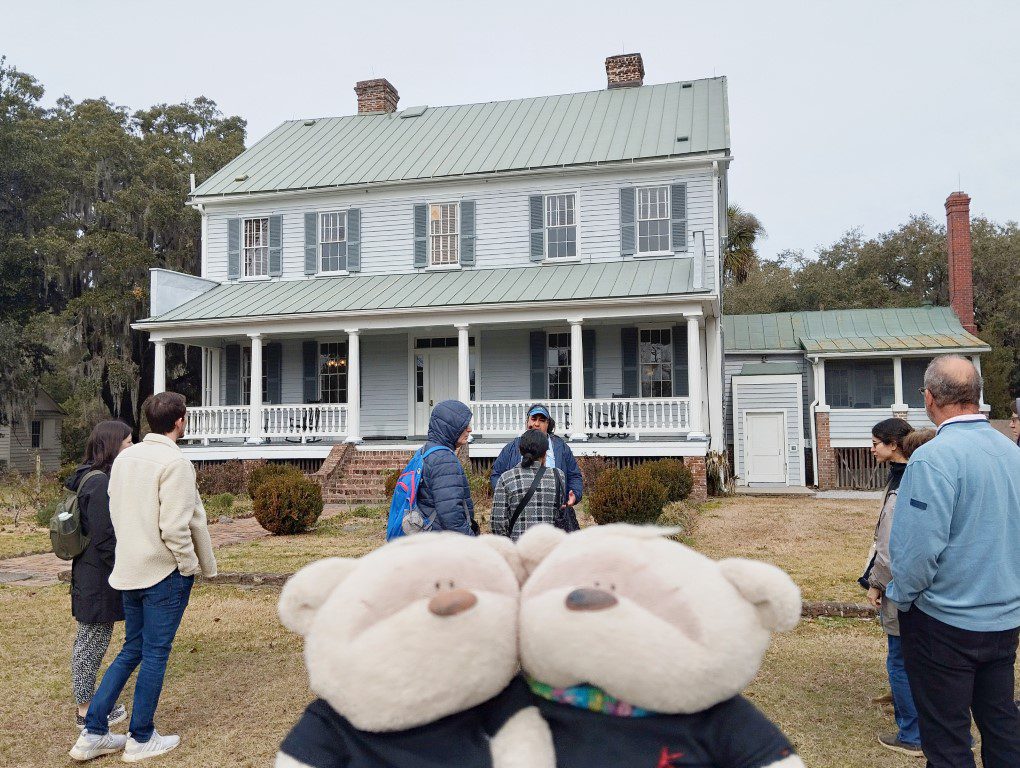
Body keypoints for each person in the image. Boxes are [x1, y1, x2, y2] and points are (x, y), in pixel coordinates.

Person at [886, 356, 1020, 767]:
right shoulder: (1011, 452)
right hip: (1003, 619)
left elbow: (914, 556)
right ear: (976, 395)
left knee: (946, 740)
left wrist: (903, 599)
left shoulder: (932, 458)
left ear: (928, 398)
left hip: (944, 622)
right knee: (1001, 726)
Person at [70, 392, 217, 763]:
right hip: (162, 571)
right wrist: (188, 566)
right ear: (181, 421)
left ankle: (93, 732)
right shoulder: (176, 463)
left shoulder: (125, 459)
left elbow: (118, 513)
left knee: (131, 649)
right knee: (154, 653)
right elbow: (175, 526)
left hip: (128, 568)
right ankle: (141, 736)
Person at [861, 418, 921, 757]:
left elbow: (888, 543)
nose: (871, 449)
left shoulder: (902, 483)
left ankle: (912, 734)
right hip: (922, 585)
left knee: (899, 660)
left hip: (901, 586)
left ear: (893, 445)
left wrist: (877, 584)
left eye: (875, 443)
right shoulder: (915, 474)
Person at [68, 420, 133, 730]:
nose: (131, 449)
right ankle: (85, 711)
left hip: (89, 574)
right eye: (128, 443)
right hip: (97, 578)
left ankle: (88, 703)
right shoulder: (99, 484)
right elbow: (105, 537)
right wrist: (126, 565)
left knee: (91, 640)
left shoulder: (90, 478)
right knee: (91, 642)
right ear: (113, 447)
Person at [489, 404, 583, 508]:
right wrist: (505, 496)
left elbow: (574, 476)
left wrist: (574, 494)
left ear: (548, 424)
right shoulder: (512, 448)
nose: (537, 424)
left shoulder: (561, 448)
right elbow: (497, 474)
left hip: (556, 511)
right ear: (527, 422)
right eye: (533, 419)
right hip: (521, 510)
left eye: (542, 420)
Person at [492, 429, 567, 541]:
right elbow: (561, 513)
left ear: (520, 450)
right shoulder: (558, 475)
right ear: (545, 453)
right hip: (550, 547)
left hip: (518, 549)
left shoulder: (505, 479)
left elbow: (498, 523)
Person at [416, 399, 478, 535]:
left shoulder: (426, 451)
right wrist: (471, 542)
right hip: (441, 542)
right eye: (464, 424)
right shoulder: (444, 460)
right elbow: (451, 516)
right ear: (450, 427)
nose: (469, 429)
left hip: (428, 537)